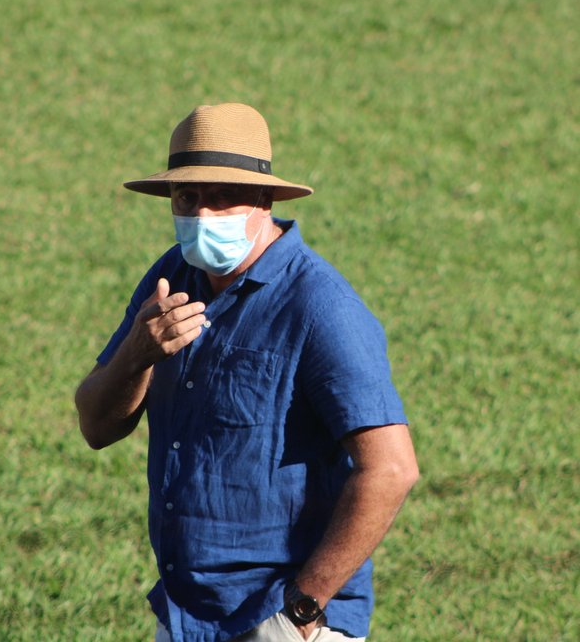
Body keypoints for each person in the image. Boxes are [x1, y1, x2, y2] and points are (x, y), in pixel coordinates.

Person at [75, 103, 419, 642]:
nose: (202, 215)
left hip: (281, 619)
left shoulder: (320, 306)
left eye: (221, 197)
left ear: (264, 199)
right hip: (187, 615)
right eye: (187, 198)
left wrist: (303, 609)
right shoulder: (171, 275)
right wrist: (137, 354)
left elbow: (390, 470)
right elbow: (97, 426)